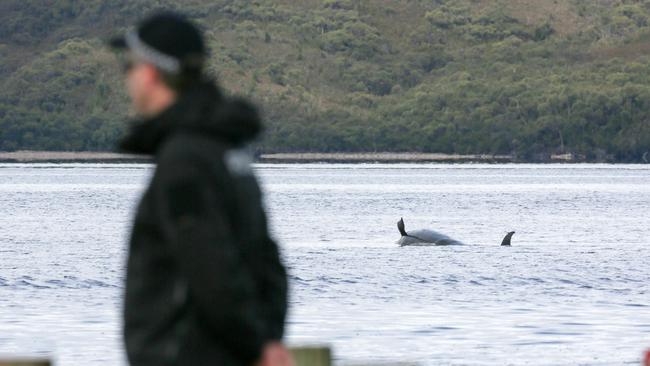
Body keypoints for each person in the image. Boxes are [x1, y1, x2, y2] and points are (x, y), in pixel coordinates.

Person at [109, 12, 291, 366]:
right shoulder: (227, 150)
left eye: (128, 67)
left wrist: (255, 346)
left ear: (149, 73)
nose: (127, 78)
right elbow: (266, 260)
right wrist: (267, 339)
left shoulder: (183, 160)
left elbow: (210, 268)